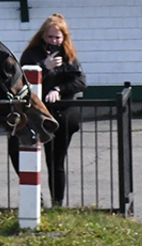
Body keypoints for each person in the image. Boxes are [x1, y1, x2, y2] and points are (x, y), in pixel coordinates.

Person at [9, 14, 87, 206]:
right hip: (33, 112)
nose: (54, 42)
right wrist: (44, 67)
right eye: (50, 37)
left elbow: (79, 81)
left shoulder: (68, 54)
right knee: (16, 149)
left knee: (55, 159)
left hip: (61, 112)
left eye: (58, 38)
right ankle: (35, 197)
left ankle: (57, 202)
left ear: (64, 38)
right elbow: (23, 81)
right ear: (43, 36)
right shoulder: (31, 54)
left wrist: (58, 90)